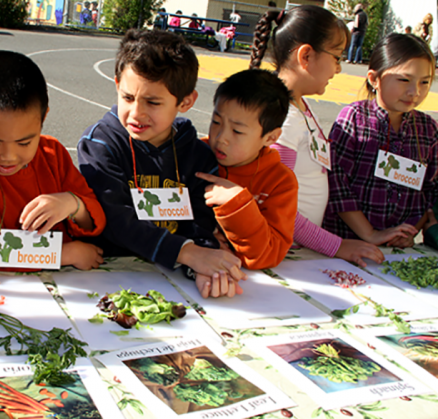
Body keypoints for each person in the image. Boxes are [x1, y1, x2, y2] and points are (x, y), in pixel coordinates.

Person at [78, 30, 246, 298]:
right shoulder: (101, 144)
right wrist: (187, 253)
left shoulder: (198, 155)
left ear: (186, 101)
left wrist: (203, 266)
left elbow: (201, 221)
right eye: (128, 97)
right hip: (108, 275)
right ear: (117, 84)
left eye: (152, 102)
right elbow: (114, 218)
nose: (136, 113)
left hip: (172, 278)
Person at [0, 51, 106, 270]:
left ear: (43, 118)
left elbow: (95, 221)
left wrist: (72, 204)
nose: (8, 156)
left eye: (24, 143)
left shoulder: (52, 154)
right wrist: (66, 254)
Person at [249, 5, 384, 267]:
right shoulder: (284, 119)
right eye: (336, 57)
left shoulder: (300, 107)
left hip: (298, 248)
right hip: (284, 255)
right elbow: (277, 206)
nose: (339, 69)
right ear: (306, 56)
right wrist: (337, 245)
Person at [324, 34, 438, 249]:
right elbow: (336, 183)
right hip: (348, 244)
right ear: (374, 79)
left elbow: (430, 189)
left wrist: (409, 231)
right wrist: (371, 234)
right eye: (404, 80)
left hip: (399, 247)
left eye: (425, 82)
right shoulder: (354, 117)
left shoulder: (429, 129)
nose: (415, 92)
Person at [195, 69, 298, 270]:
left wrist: (237, 205)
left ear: (270, 137)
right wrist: (205, 239)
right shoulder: (193, 155)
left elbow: (268, 255)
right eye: (216, 122)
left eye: (237, 131)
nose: (221, 137)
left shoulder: (280, 183)